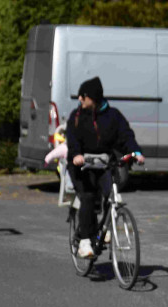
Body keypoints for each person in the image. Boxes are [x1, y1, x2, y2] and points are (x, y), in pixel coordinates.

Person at [64, 76, 144, 258]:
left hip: (103, 164)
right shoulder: (76, 117)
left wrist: (136, 152)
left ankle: (103, 229)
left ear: (92, 97)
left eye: (82, 96)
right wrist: (76, 155)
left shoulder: (113, 116)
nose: (80, 100)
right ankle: (84, 241)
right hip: (81, 166)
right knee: (88, 196)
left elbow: (126, 136)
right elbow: (72, 139)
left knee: (111, 195)